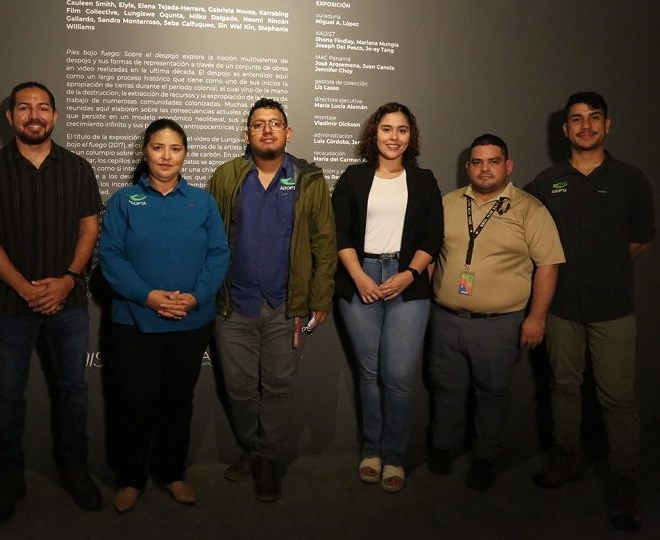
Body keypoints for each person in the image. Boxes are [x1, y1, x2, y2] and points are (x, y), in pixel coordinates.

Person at [0, 81, 103, 524]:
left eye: (42, 108)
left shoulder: (78, 169)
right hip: (7, 304)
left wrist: (66, 280)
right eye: (24, 108)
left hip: (69, 302)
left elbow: (89, 229)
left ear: (54, 117)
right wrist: (23, 286)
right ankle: (8, 479)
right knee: (7, 396)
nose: (33, 115)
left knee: (73, 391)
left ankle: (76, 472)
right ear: (10, 118)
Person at [527, 92, 654, 530]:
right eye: (576, 119)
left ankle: (624, 481)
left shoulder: (631, 179)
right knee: (563, 385)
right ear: (564, 129)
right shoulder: (545, 182)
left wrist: (605, 269)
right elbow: (529, 241)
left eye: (593, 118)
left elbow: (639, 239)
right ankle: (568, 456)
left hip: (613, 306)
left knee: (618, 398)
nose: (585, 126)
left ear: (607, 125)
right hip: (559, 305)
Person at [98, 119, 229, 513]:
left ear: (184, 154)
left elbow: (218, 254)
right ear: (145, 152)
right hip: (133, 322)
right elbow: (110, 256)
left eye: (174, 148)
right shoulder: (123, 200)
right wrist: (149, 297)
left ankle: (172, 472)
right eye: (158, 147)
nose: (166, 156)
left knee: (177, 400)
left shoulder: (203, 202)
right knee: (133, 402)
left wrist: (195, 297)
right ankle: (131, 479)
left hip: (190, 321)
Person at [208, 98, 336, 502]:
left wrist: (321, 296)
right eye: (259, 125)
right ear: (246, 134)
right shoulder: (227, 176)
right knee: (240, 388)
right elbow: (211, 238)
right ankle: (253, 448)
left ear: (288, 132)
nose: (267, 130)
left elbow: (325, 243)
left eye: (275, 124)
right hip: (234, 305)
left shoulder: (308, 179)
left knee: (278, 387)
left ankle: (266, 462)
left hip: (286, 305)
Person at [428, 134, 564, 490]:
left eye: (493, 161)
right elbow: (430, 251)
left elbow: (548, 265)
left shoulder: (529, 209)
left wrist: (536, 317)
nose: (484, 168)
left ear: (508, 165)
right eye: (477, 162)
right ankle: (444, 448)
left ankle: (486, 459)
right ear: (467, 166)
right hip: (446, 318)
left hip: (499, 324)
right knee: (446, 388)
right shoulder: (448, 203)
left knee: (492, 393)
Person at [332, 102, 443, 492]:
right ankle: (372, 452)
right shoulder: (354, 177)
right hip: (358, 276)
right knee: (369, 373)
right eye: (386, 129)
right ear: (373, 134)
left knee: (397, 377)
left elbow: (433, 237)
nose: (393, 137)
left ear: (410, 137)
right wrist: (360, 276)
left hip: (407, 282)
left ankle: (394, 457)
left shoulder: (425, 180)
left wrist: (409, 275)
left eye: (401, 130)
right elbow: (340, 232)